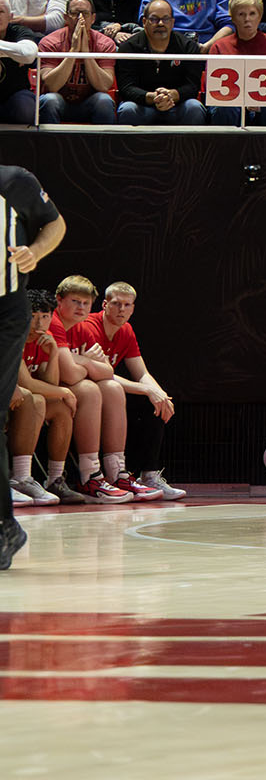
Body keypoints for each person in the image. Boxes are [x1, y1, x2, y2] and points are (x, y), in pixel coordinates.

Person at [0, 159, 66, 567]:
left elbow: (55, 224)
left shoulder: (14, 181)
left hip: (5, 312)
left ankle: (5, 525)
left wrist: (35, 252)